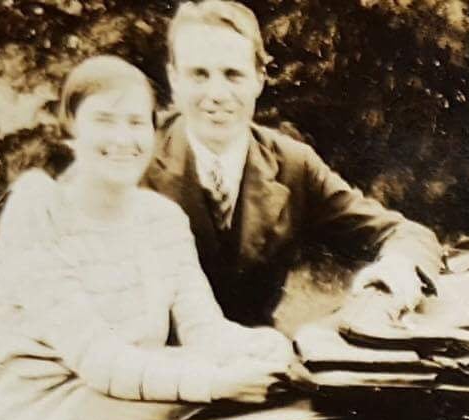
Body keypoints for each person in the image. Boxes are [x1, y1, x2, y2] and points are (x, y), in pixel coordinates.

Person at [0, 55, 292, 420]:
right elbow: (98, 360)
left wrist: (268, 349)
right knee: (224, 406)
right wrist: (220, 382)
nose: (123, 138)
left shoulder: (160, 218)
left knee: (276, 389)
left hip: (128, 394)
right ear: (71, 126)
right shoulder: (40, 210)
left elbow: (205, 330)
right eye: (105, 121)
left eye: (136, 122)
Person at [143, 0, 444, 327]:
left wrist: (397, 267)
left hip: (259, 361)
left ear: (259, 79)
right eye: (199, 74)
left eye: (233, 75)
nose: (216, 93)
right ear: (174, 78)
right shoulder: (133, 157)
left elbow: (404, 233)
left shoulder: (291, 164)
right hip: (150, 362)